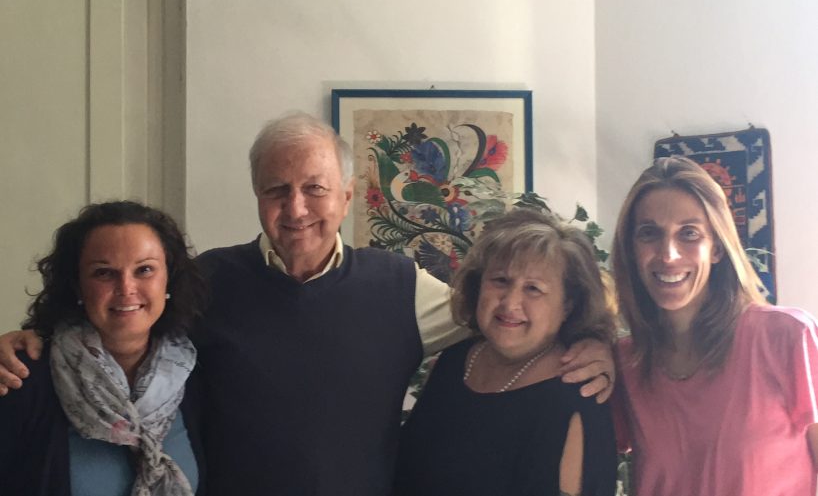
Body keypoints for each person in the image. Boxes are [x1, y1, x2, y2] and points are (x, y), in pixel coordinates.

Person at [0, 112, 614, 496]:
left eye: (315, 189)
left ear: (345, 197)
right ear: (256, 195)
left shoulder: (400, 286)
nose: (295, 208)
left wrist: (593, 342)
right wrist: (29, 341)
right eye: (277, 189)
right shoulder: (208, 280)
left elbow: (501, 318)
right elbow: (120, 313)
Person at [611, 156, 818, 495]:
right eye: (649, 234)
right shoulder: (624, 361)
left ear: (717, 248)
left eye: (689, 233)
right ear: (631, 250)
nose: (668, 254)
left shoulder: (787, 336)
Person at [394, 209, 617, 496]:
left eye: (533, 288)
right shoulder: (453, 361)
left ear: (568, 305)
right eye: (500, 280)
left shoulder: (577, 392)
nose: (510, 303)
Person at [0, 201, 206, 495]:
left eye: (144, 270)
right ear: (77, 285)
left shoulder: (194, 374)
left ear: (168, 280)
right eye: (104, 273)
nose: (126, 288)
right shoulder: (20, 378)